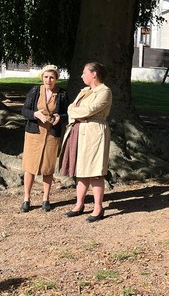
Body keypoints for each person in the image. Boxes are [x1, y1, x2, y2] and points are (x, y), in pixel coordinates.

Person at [59, 62, 112, 222]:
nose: (82, 76)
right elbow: (70, 108)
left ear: (94, 74)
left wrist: (76, 112)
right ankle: (79, 204)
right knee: (81, 169)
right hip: (79, 131)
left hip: (95, 133)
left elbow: (90, 110)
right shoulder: (84, 91)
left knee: (95, 171)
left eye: (84, 73)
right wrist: (76, 113)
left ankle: (98, 208)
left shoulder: (105, 91)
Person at [20, 65, 69, 212]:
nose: (49, 80)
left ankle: (46, 198)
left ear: (56, 79)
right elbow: (24, 111)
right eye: (46, 77)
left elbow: (69, 113)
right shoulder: (35, 91)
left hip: (52, 134)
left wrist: (60, 118)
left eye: (52, 77)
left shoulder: (62, 94)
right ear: (42, 77)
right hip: (34, 133)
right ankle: (26, 198)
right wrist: (35, 114)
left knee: (48, 168)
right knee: (30, 167)